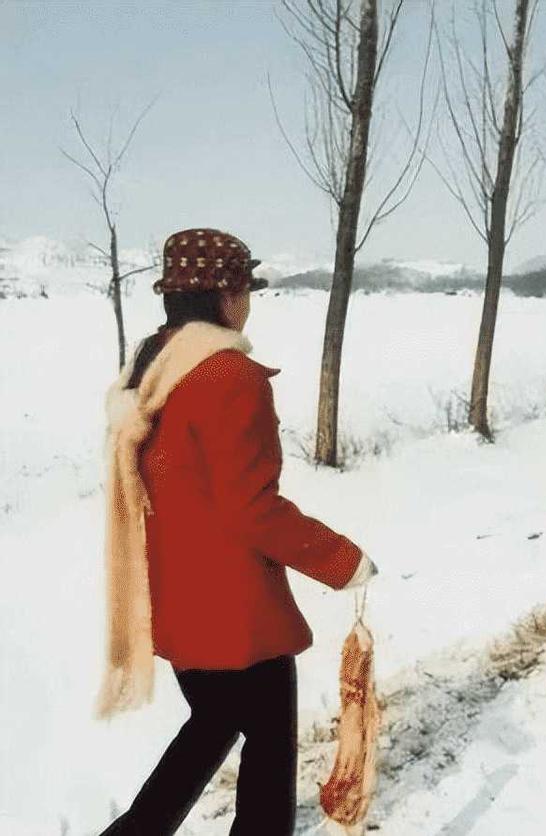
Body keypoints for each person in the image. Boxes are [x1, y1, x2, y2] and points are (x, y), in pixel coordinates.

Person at [98, 228, 378, 835]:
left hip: (176, 603)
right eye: (245, 285)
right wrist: (343, 560)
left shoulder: (151, 367)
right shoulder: (228, 376)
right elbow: (253, 509)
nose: (249, 298)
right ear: (225, 293)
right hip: (236, 618)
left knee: (212, 727)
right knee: (269, 748)